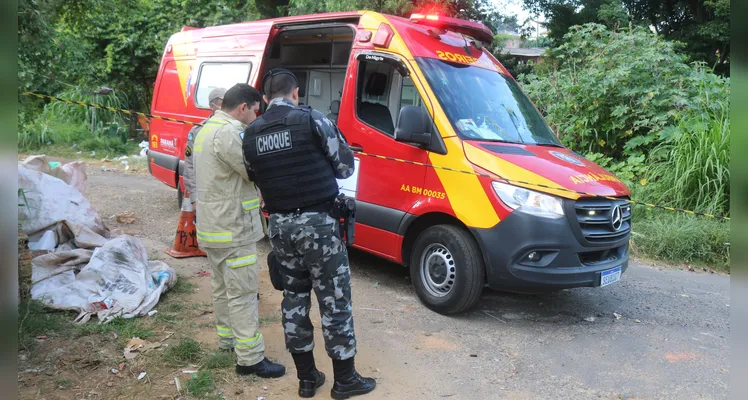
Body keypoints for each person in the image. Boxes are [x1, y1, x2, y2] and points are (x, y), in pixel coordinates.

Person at [242, 69, 376, 399]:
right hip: (319, 227)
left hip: (280, 229)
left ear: (264, 99)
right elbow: (345, 167)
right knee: (334, 300)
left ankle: (306, 379)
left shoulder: (251, 133)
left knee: (294, 300)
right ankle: (344, 380)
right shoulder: (312, 120)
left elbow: (253, 176)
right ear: (296, 93)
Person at [193, 83, 285, 379]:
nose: (257, 116)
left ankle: (227, 340)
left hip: (212, 227)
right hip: (233, 228)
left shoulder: (206, 128)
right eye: (256, 110)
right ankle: (250, 359)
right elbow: (251, 170)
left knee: (222, 288)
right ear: (243, 107)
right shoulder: (229, 132)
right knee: (243, 293)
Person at [184, 87, 225, 207]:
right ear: (212, 106)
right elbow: (190, 166)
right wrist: (194, 198)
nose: (226, 108)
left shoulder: (235, 128)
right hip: (206, 196)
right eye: (222, 104)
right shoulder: (198, 131)